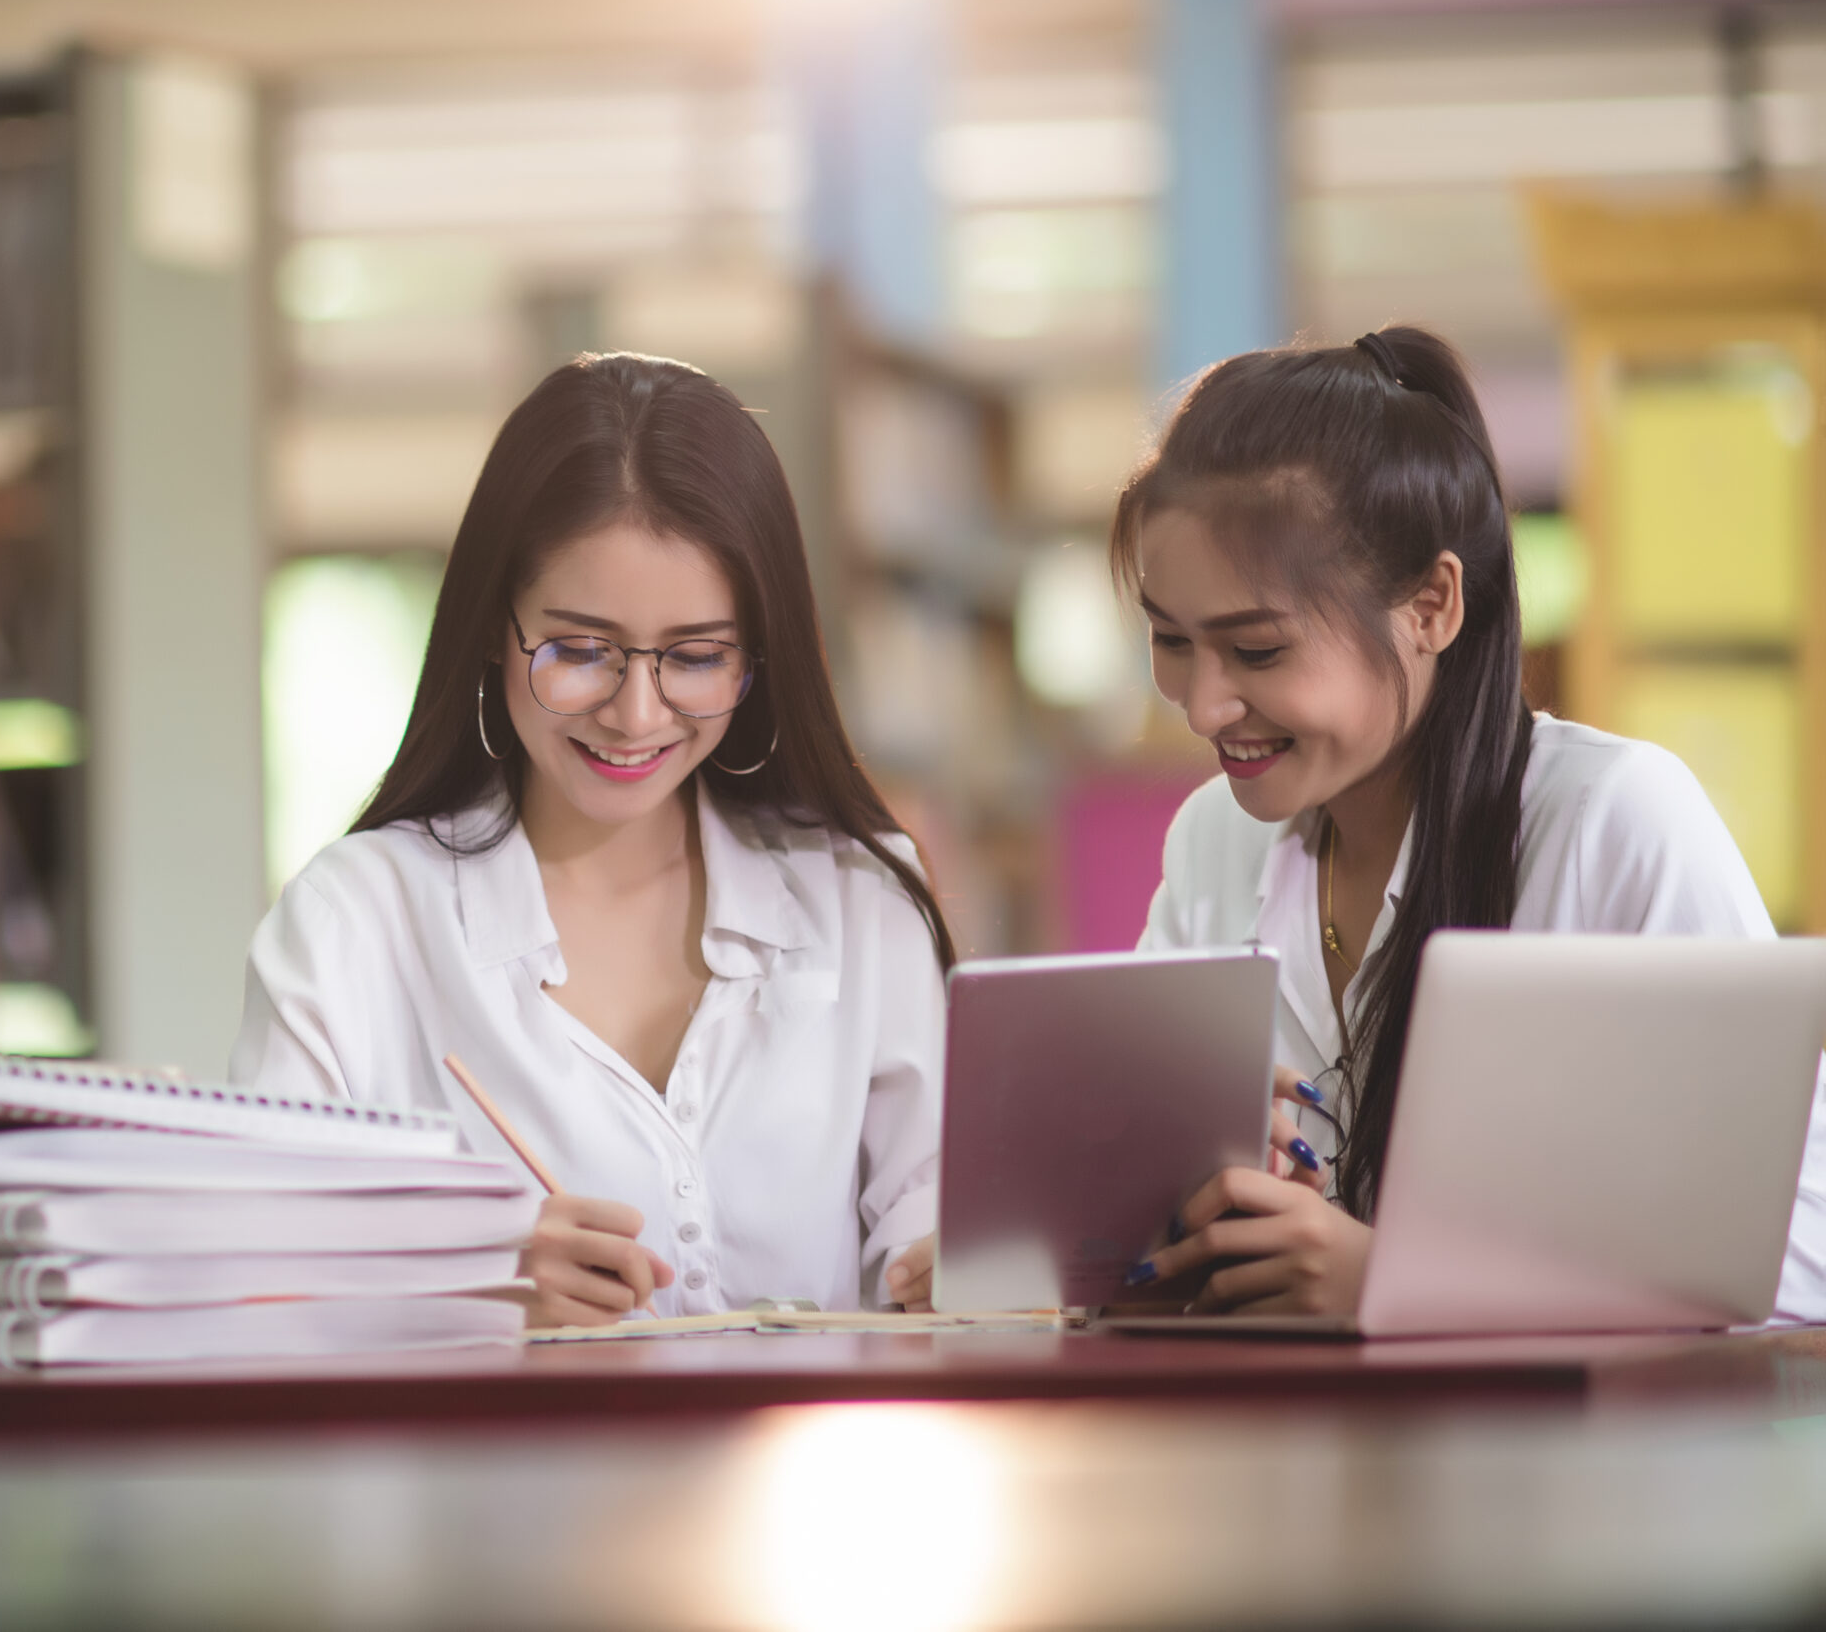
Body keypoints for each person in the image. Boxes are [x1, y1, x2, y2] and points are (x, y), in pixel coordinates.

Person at [1118, 325, 1826, 1323]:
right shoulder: (1211, 839)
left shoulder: (1610, 820)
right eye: (1168, 640)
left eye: (1257, 649)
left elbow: (1798, 1245)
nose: (1200, 706)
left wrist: (1399, 1278)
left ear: (1430, 604)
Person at [229, 353, 952, 1325]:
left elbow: (937, 1217)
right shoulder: (355, 920)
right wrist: (467, 1282)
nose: (635, 712)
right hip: (490, 1479)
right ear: (494, 627)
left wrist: (955, 1262)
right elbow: (251, 1280)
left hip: (808, 1476)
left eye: (696, 657)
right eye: (578, 651)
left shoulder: (860, 896)